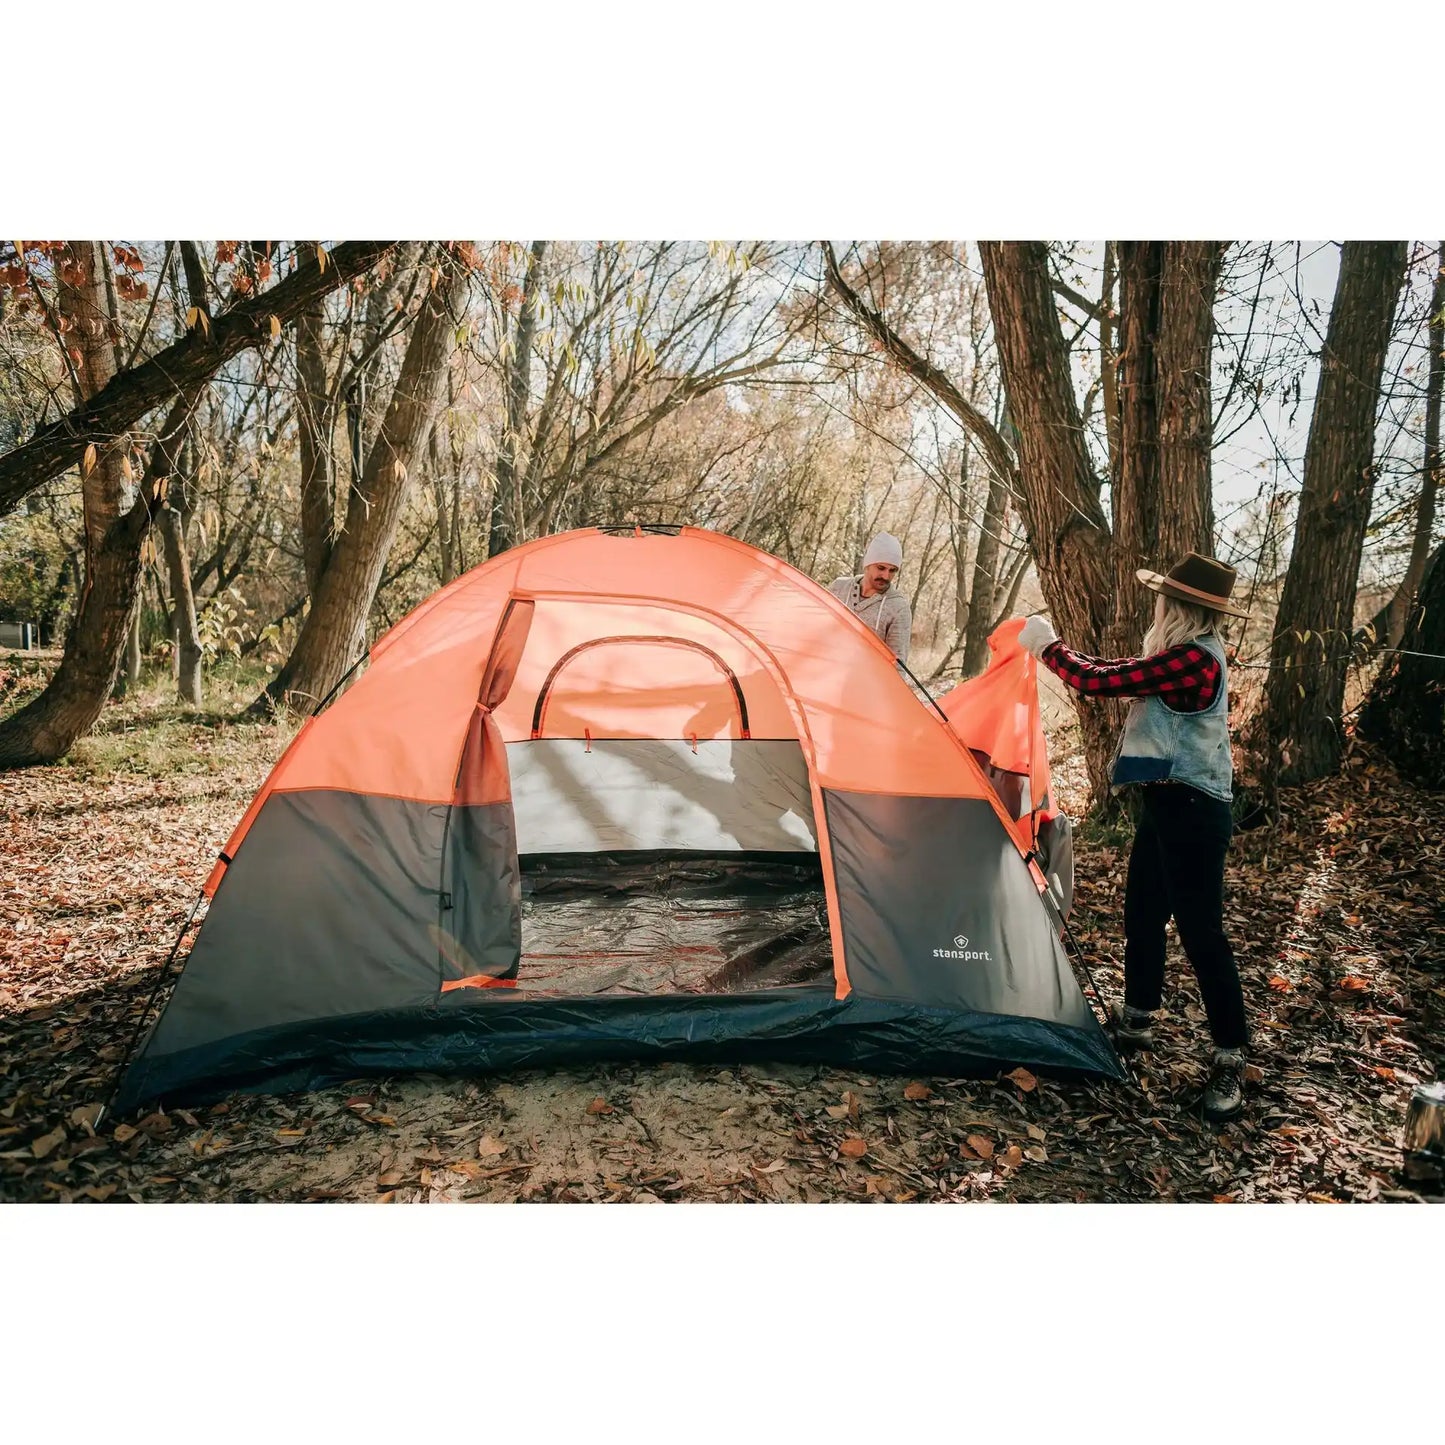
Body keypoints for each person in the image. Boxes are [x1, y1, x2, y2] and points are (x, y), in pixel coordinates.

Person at [1017, 552, 1251, 1124]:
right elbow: (1116, 671)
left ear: (1180, 608)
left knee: (1202, 935)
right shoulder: (1183, 656)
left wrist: (1049, 648)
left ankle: (1230, 1058)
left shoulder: (1194, 661)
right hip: (1168, 803)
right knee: (1143, 914)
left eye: (1165, 599)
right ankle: (1139, 1017)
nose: (1158, 605)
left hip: (1194, 811)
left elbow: (1104, 681)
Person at [828, 532, 913, 667]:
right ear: (868, 564)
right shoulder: (839, 588)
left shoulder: (898, 608)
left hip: (865, 684)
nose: (886, 576)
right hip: (827, 674)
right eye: (881, 568)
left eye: (893, 570)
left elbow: (898, 666)